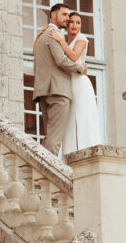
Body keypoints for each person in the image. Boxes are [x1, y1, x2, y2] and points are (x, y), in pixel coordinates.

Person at [35, 11, 103, 155]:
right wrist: (38, 38)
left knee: (82, 117)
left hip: (80, 82)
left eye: (78, 23)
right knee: (69, 121)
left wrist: (61, 41)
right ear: (67, 24)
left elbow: (73, 57)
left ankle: (86, 153)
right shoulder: (62, 38)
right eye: (71, 22)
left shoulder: (82, 38)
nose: (74, 25)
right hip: (68, 83)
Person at [32, 2, 84, 156]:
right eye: (64, 14)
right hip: (58, 91)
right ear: (53, 15)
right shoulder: (52, 34)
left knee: (50, 135)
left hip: (44, 90)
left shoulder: (41, 36)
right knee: (54, 140)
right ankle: (47, 176)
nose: (67, 18)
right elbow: (60, 60)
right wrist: (80, 68)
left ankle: (40, 170)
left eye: (69, 15)